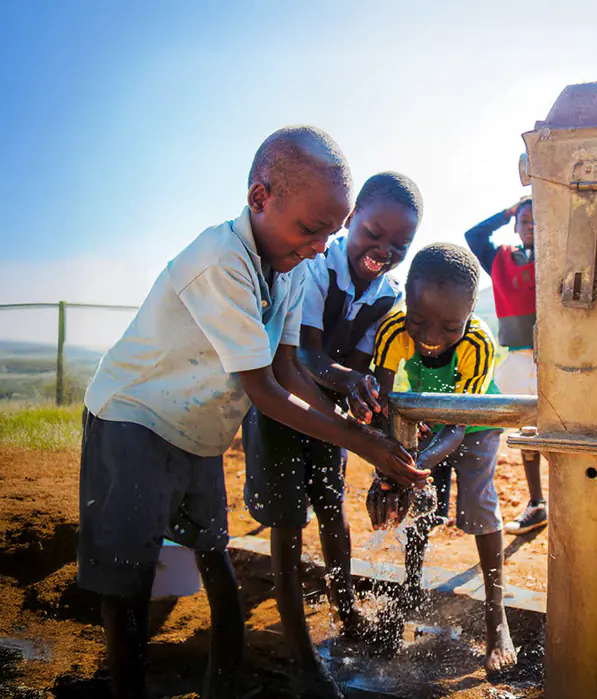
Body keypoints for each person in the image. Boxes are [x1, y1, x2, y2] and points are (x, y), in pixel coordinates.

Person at [78, 126, 428, 699]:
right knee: (129, 576)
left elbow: (289, 368)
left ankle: (226, 677)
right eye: (311, 229)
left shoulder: (289, 269)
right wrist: (363, 444)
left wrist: (353, 434)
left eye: (328, 233)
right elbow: (265, 390)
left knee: (214, 552)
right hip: (133, 418)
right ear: (259, 197)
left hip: (198, 433)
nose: (319, 246)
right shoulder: (223, 261)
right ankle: (126, 687)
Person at [243, 171, 422, 699]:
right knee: (286, 520)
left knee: (330, 509)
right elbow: (306, 355)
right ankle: (299, 646)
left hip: (330, 416)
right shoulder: (316, 266)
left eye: (399, 245)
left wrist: (365, 407)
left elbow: (365, 365)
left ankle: (345, 612)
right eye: (373, 233)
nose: (383, 250)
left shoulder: (388, 294)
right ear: (351, 220)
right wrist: (349, 381)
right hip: (283, 404)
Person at [366, 242, 518, 673]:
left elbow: (459, 425)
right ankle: (408, 593)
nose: (431, 337)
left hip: (474, 424)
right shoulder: (393, 330)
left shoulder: (478, 342)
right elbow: (383, 406)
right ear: (407, 303)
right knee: (419, 508)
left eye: (449, 326)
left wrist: (412, 466)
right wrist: (389, 470)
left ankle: (496, 618)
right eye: (419, 320)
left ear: (470, 313)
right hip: (425, 419)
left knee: (479, 505)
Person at [465, 198, 547, 535]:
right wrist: (507, 212)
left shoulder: (558, 255)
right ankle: (538, 504)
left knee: (563, 430)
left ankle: (572, 498)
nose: (530, 224)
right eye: (524, 219)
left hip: (554, 358)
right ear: (515, 225)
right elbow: (473, 236)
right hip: (516, 357)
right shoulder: (501, 259)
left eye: (536, 218)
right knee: (526, 431)